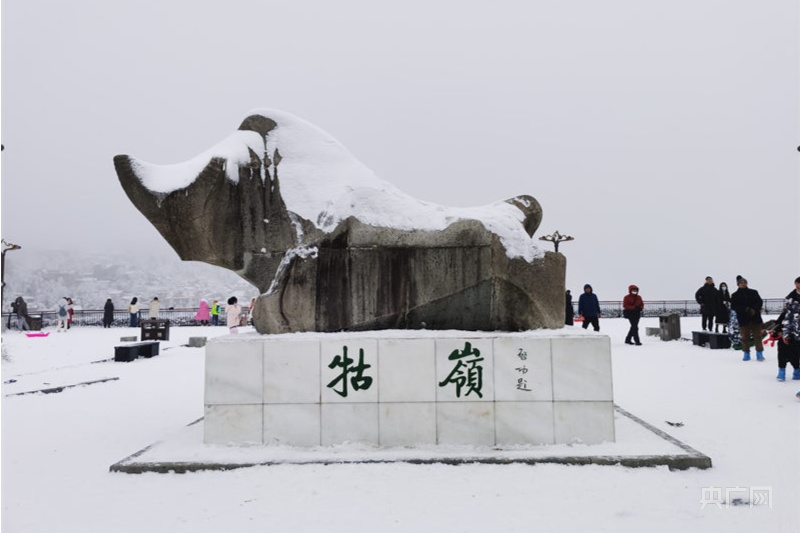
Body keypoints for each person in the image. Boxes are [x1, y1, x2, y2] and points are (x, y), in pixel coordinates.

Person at [730, 277, 764, 361]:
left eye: (744, 282)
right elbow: (734, 306)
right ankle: (746, 353)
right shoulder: (735, 295)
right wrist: (745, 309)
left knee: (758, 336)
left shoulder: (754, 292)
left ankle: (759, 353)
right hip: (743, 319)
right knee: (745, 337)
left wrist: (754, 309)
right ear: (738, 284)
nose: (743, 284)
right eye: (741, 283)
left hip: (755, 318)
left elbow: (759, 302)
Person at [775, 276, 800, 381]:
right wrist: (779, 328)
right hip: (789, 328)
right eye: (798, 283)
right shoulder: (790, 298)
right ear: (795, 284)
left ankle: (797, 370)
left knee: (796, 352)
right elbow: (785, 314)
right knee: (783, 349)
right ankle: (781, 371)